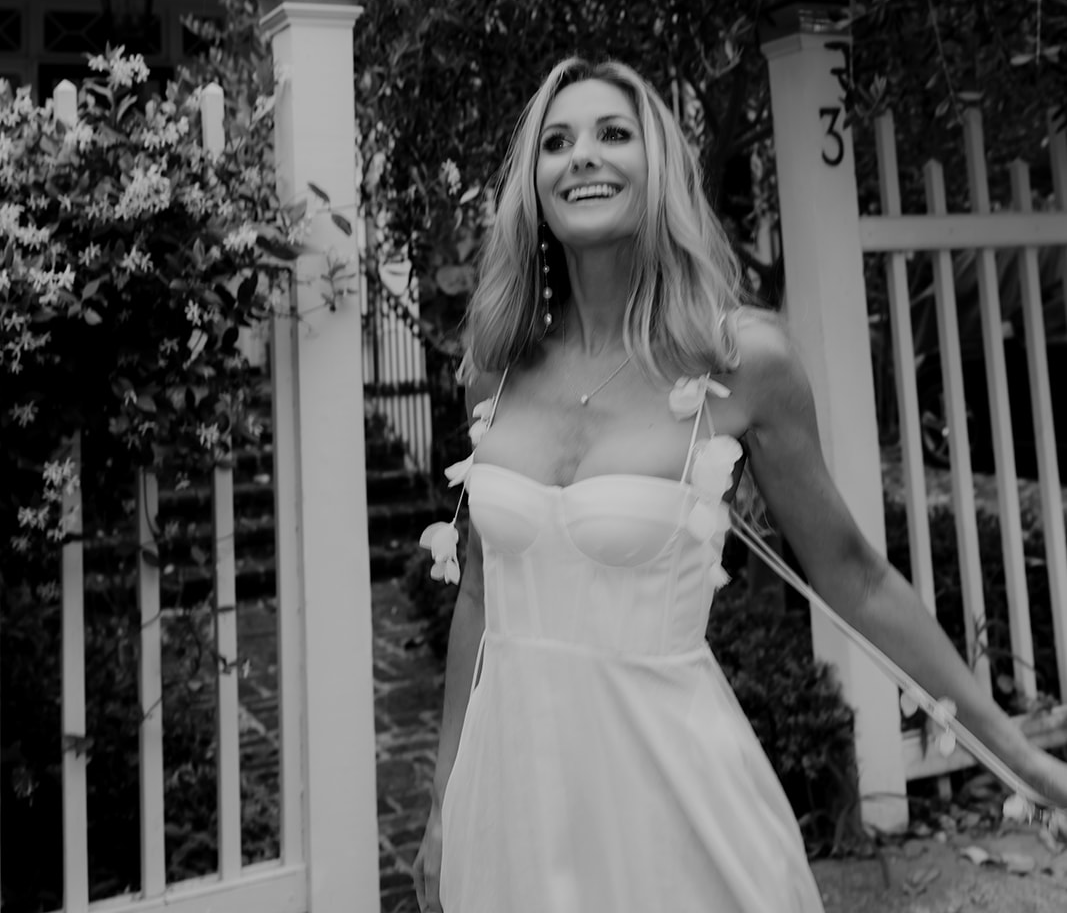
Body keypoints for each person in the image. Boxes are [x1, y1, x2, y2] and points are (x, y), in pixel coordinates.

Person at [412, 57, 1067, 913]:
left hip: (673, 799)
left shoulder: (739, 362)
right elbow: (479, 600)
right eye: (557, 142)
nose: (583, 157)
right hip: (510, 802)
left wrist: (1018, 756)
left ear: (659, 172)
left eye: (614, 134)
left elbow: (855, 576)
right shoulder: (493, 370)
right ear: (531, 187)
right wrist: (440, 806)